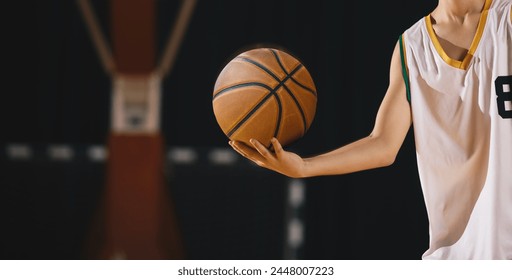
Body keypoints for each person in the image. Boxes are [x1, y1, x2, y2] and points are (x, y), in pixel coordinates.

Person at [230, 0, 511, 260]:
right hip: (458, 256)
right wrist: (303, 166)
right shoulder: (412, 46)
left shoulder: (506, 18)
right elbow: (383, 144)